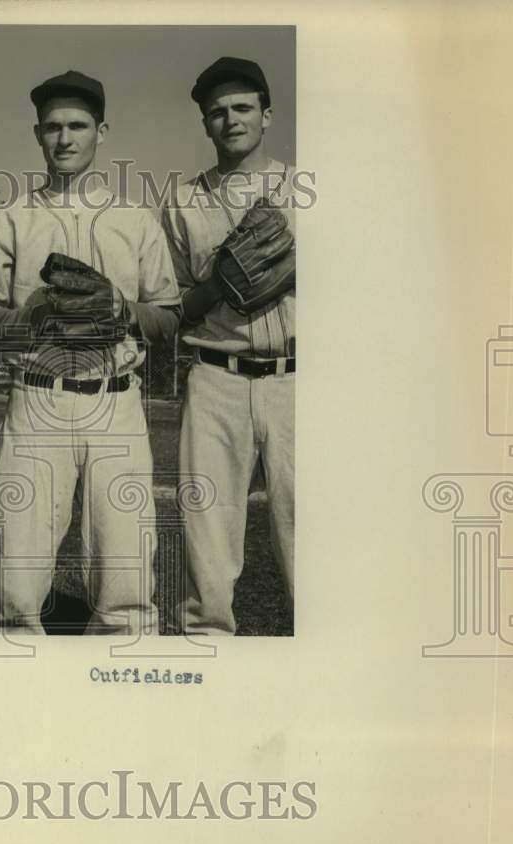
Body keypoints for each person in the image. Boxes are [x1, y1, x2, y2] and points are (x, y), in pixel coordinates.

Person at [0, 70, 181, 635]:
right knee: (14, 577)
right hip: (37, 398)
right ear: (38, 134)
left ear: (101, 131)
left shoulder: (136, 220)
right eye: (53, 127)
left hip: (116, 402)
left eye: (78, 125)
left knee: (127, 577)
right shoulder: (10, 218)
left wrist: (120, 308)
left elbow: (170, 319)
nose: (65, 138)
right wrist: (30, 315)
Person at [161, 57, 297, 634]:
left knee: (310, 535)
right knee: (209, 538)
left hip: (301, 379)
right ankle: (206, 655)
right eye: (217, 112)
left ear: (266, 115)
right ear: (205, 126)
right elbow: (172, 309)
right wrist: (221, 280)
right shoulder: (180, 201)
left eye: (242, 107)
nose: (230, 119)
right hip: (215, 377)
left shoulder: (307, 191)